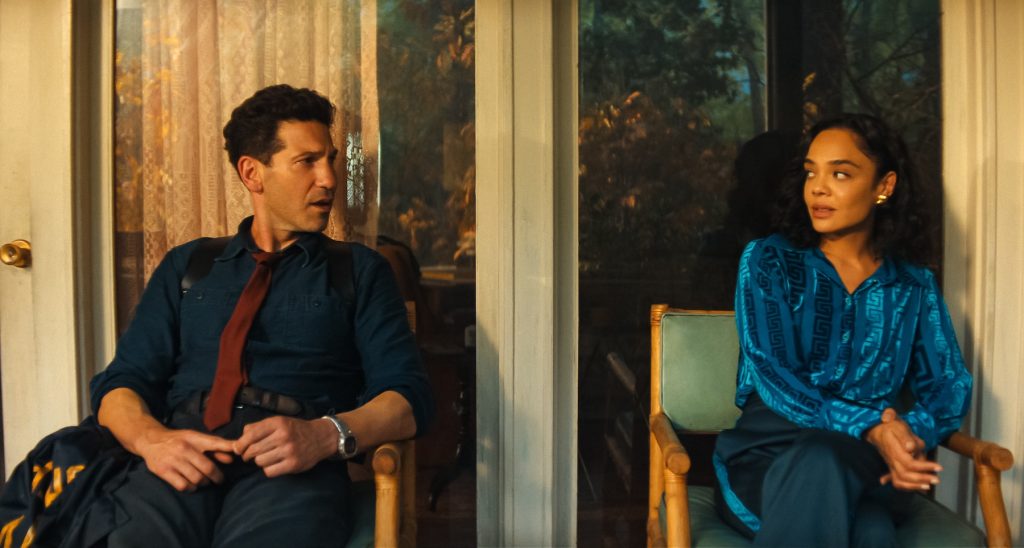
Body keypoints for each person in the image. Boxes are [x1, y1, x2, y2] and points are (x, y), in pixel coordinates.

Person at [89, 84, 433, 546]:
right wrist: (153, 440)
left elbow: (408, 399)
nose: (329, 179)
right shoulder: (189, 266)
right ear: (253, 173)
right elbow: (121, 384)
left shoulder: (358, 271)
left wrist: (323, 436)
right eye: (307, 161)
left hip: (293, 468)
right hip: (184, 454)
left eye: (330, 160)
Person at [713, 113, 971, 547]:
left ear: (884, 186)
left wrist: (909, 434)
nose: (818, 187)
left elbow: (949, 385)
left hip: (869, 463)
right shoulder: (769, 262)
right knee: (871, 532)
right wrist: (871, 425)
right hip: (768, 454)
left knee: (830, 461)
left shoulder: (912, 285)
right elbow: (772, 373)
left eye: (840, 173)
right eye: (811, 172)